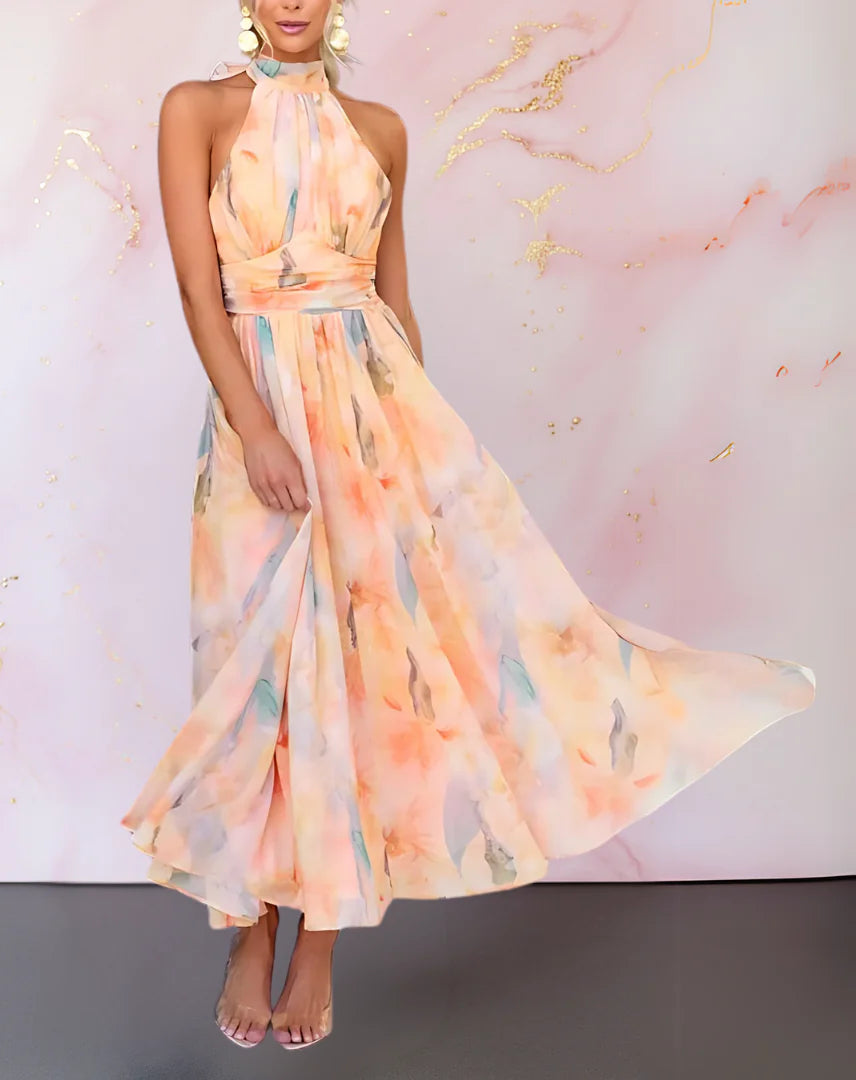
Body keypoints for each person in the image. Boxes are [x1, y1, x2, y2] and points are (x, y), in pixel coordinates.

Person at [120, 0, 817, 1053]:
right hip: (258, 409)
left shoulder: (383, 130)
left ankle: (321, 940)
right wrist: (255, 426)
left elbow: (394, 304)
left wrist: (423, 464)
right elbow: (194, 286)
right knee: (250, 670)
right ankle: (250, 928)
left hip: (376, 423)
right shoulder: (197, 110)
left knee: (367, 670)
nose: (293, 1)